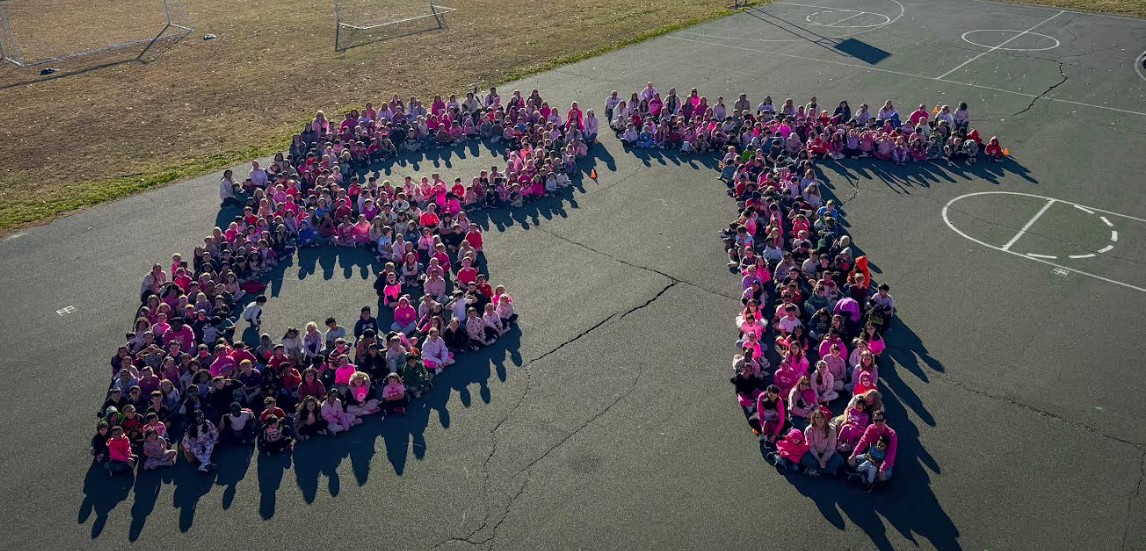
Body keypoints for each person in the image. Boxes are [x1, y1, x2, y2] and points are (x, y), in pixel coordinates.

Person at [848, 409, 897, 487]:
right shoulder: (871, 428)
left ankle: (863, 476)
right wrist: (854, 455)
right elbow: (863, 442)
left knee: (888, 474)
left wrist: (882, 468)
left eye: (880, 420)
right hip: (871, 457)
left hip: (882, 460)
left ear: (885, 420)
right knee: (853, 459)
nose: (878, 422)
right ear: (873, 420)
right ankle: (871, 479)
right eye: (875, 420)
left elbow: (891, 454)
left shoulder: (892, 434)